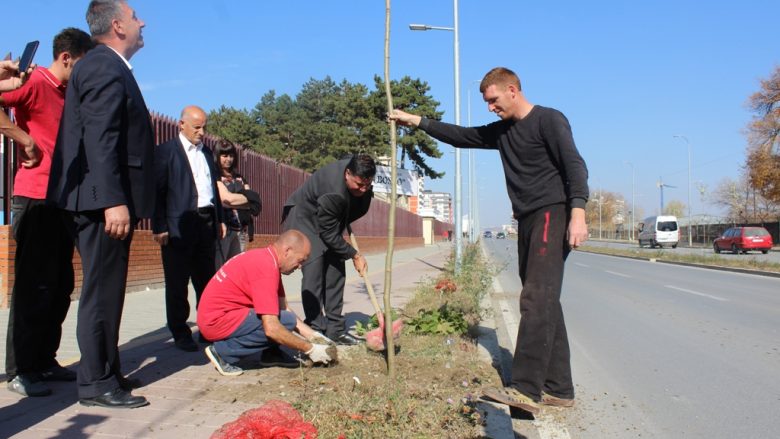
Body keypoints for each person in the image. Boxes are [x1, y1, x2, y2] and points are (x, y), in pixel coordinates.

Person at [389, 67, 589, 415]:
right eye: (487, 103)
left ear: (513, 90)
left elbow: (575, 167)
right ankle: (559, 388)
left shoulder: (549, 120)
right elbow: (461, 136)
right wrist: (416, 121)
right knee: (545, 300)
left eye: (494, 100)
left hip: (551, 213)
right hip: (528, 218)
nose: (491, 108)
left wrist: (578, 213)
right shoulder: (503, 131)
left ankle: (526, 390)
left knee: (536, 297)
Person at [47, 0, 154, 409]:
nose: (142, 22)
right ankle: (95, 383)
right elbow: (101, 135)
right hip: (99, 202)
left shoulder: (105, 66)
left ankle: (106, 371)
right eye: (134, 17)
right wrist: (113, 200)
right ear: (117, 26)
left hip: (100, 199)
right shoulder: (104, 66)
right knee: (100, 291)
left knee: (108, 290)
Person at [0, 28, 94, 398]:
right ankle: (20, 370)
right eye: (82, 66)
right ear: (66, 58)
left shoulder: (65, 92)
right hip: (33, 197)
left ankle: (44, 360)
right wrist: (23, 139)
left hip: (60, 200)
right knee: (32, 287)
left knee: (59, 287)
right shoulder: (36, 81)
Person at [197, 230, 336, 376]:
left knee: (277, 313)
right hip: (215, 322)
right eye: (300, 260)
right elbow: (272, 329)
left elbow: (284, 308)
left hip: (220, 316)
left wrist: (314, 336)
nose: (300, 266)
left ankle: (271, 354)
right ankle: (222, 353)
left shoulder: (268, 259)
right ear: (287, 251)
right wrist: (310, 348)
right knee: (282, 321)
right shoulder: (265, 269)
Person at [153, 106, 226, 352]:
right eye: (197, 127)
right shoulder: (165, 152)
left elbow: (213, 190)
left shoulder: (206, 154)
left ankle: (208, 327)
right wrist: (160, 225)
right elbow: (158, 191)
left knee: (206, 280)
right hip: (178, 224)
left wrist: (220, 219)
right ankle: (180, 331)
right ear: (181, 125)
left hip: (205, 222)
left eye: (204, 127)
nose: (202, 132)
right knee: (177, 281)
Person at [282, 154, 374, 345]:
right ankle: (315, 329)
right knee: (314, 271)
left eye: (367, 185)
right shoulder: (333, 192)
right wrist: (354, 254)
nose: (363, 189)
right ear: (347, 173)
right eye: (359, 184)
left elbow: (333, 227)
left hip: (328, 219)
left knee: (336, 271)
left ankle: (336, 330)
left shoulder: (358, 173)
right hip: (305, 219)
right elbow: (328, 234)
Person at [213, 140, 251, 267]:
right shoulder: (215, 176)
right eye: (224, 156)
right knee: (219, 268)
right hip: (223, 229)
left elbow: (252, 200)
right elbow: (225, 200)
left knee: (236, 269)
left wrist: (234, 200)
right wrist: (240, 200)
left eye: (231, 155)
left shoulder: (239, 177)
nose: (228, 159)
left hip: (241, 230)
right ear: (217, 156)